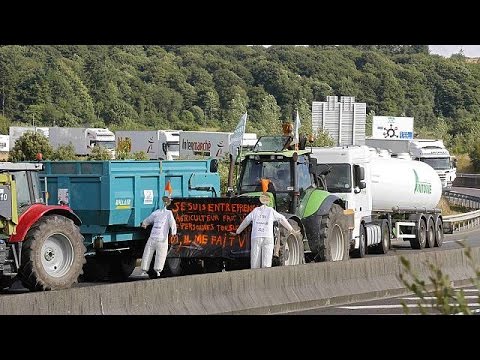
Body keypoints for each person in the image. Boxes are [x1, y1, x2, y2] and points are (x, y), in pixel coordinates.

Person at [235, 193, 294, 269]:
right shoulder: (271, 211)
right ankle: (265, 278)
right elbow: (282, 219)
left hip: (256, 237)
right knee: (266, 263)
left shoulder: (255, 211)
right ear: (269, 201)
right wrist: (291, 229)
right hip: (268, 237)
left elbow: (246, 221)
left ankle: (255, 277)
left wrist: (237, 232)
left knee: (255, 261)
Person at [140, 196, 177, 277]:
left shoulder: (163, 213)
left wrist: (144, 223)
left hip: (156, 237)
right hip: (159, 238)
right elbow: (173, 223)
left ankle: (148, 270)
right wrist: (174, 233)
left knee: (148, 253)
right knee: (159, 255)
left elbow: (148, 220)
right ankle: (156, 270)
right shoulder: (164, 213)